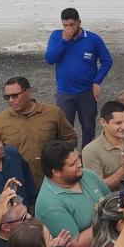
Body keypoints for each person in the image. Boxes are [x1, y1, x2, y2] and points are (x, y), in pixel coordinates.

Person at [0, 76, 78, 185]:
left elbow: (70, 137)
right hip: (19, 182)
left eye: (15, 95)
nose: (11, 100)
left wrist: (58, 156)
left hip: (52, 179)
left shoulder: (53, 113)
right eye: (7, 97)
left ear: (28, 92)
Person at [45, 8, 113, 146]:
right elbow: (50, 59)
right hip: (65, 93)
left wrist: (97, 81)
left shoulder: (93, 39)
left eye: (72, 25)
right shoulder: (57, 36)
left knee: (88, 127)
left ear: (79, 22)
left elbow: (107, 61)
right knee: (64, 129)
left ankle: (87, 157)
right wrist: (64, 40)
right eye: (65, 25)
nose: (68, 28)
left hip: (87, 92)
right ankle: (68, 158)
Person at [35, 140, 112, 247]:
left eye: (78, 159)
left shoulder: (87, 175)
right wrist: (108, 218)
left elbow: (111, 200)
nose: (79, 164)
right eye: (72, 164)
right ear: (56, 172)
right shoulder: (50, 204)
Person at [81, 100, 124, 191]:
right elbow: (97, 189)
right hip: (110, 204)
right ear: (103, 122)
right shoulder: (90, 151)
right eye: (118, 123)